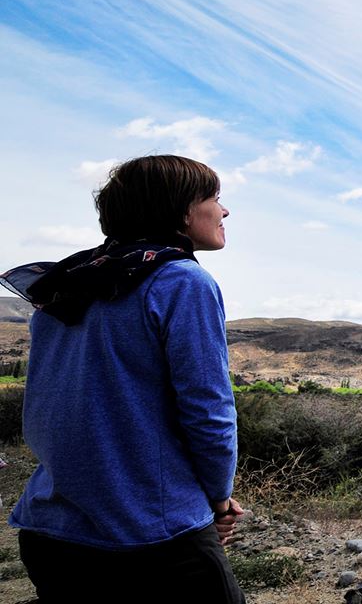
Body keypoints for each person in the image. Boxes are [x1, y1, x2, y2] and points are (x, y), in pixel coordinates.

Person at [0, 155, 245, 603]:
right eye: (215, 198)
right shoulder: (181, 282)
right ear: (182, 211)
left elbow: (50, 413)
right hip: (153, 535)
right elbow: (209, 412)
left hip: (50, 530)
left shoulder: (69, 283)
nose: (224, 211)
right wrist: (219, 499)